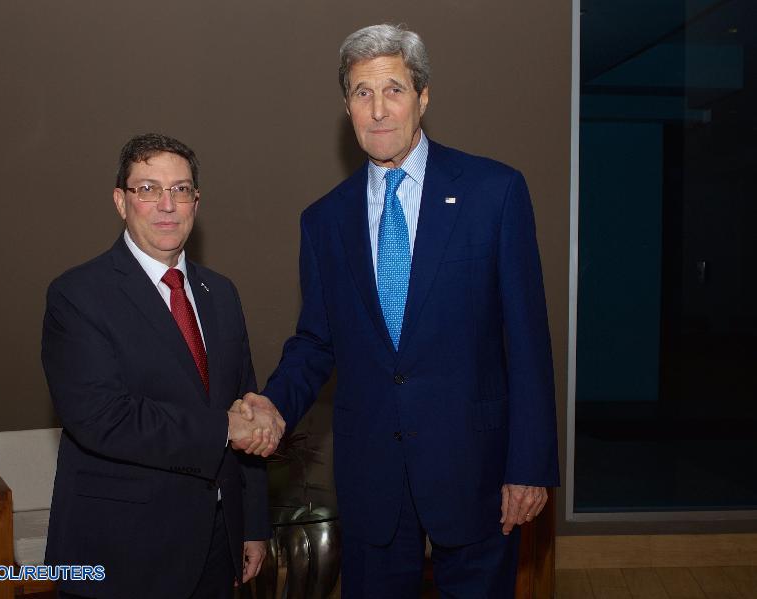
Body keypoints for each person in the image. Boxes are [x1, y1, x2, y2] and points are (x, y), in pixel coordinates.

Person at [241, 24, 559, 597]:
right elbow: (316, 341)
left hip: (477, 470)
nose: (379, 109)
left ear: (423, 97)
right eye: (363, 93)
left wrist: (529, 465)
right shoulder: (324, 221)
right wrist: (271, 403)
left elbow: (527, 341)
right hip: (373, 480)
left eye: (394, 89)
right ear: (346, 107)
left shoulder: (494, 192)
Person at [41, 133, 283, 598]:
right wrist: (221, 430)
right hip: (121, 549)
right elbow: (101, 418)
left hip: (217, 542)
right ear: (120, 201)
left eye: (180, 189)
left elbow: (243, 403)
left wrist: (252, 523)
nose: (166, 205)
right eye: (148, 189)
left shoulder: (222, 294)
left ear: (196, 201)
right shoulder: (78, 296)